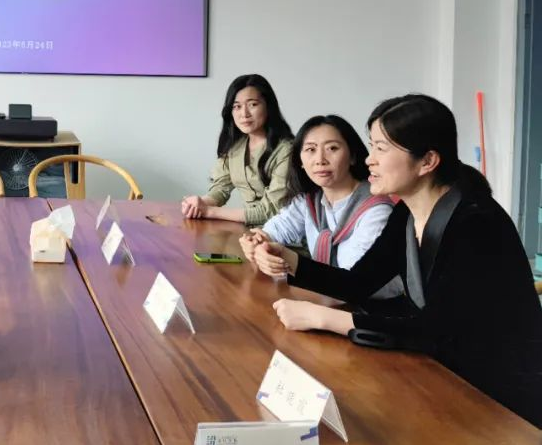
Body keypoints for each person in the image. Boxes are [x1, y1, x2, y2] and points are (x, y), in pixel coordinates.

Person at [253, 94, 542, 427]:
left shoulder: (476, 223)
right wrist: (290, 260)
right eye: (371, 146)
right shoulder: (407, 211)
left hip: (502, 400)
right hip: (443, 376)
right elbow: (359, 282)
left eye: (381, 148)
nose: (369, 160)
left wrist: (326, 318)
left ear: (427, 161)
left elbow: (437, 331)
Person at [240, 115, 394, 270]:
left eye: (332, 148)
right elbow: (277, 229)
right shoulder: (310, 201)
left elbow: (354, 278)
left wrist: (289, 259)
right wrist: (257, 244)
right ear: (300, 161)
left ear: (352, 156)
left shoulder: (376, 211)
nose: (320, 160)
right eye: (311, 149)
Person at [181, 74, 293, 224]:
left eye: (252, 104)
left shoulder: (287, 151)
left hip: (283, 233)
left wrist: (209, 211)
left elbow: (270, 211)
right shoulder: (235, 146)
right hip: (248, 230)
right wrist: (199, 203)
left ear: (268, 106)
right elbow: (221, 188)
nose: (244, 114)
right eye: (237, 106)